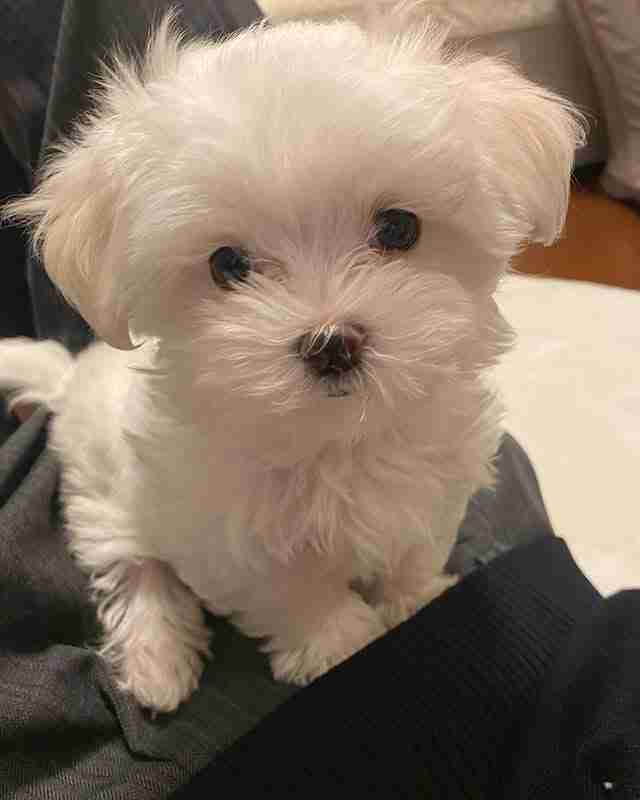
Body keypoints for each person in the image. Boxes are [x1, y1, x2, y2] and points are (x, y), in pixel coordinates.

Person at [0, 2, 638, 798]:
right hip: (131, 466)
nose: (328, 324)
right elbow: (219, 552)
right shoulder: (210, 465)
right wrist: (311, 624)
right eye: (233, 266)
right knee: (146, 543)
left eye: (393, 232)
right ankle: (141, 587)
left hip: (368, 716)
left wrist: (404, 589)